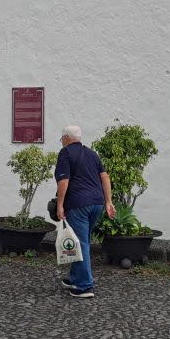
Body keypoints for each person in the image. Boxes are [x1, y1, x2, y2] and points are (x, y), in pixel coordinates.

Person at [53, 125, 115, 298]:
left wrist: (60, 205)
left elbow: (63, 181)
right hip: (97, 203)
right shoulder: (91, 153)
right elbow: (105, 177)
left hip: (78, 204)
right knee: (82, 240)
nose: (61, 142)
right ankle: (75, 277)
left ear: (66, 138)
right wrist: (108, 202)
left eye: (61, 139)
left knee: (81, 243)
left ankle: (84, 286)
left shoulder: (65, 153)